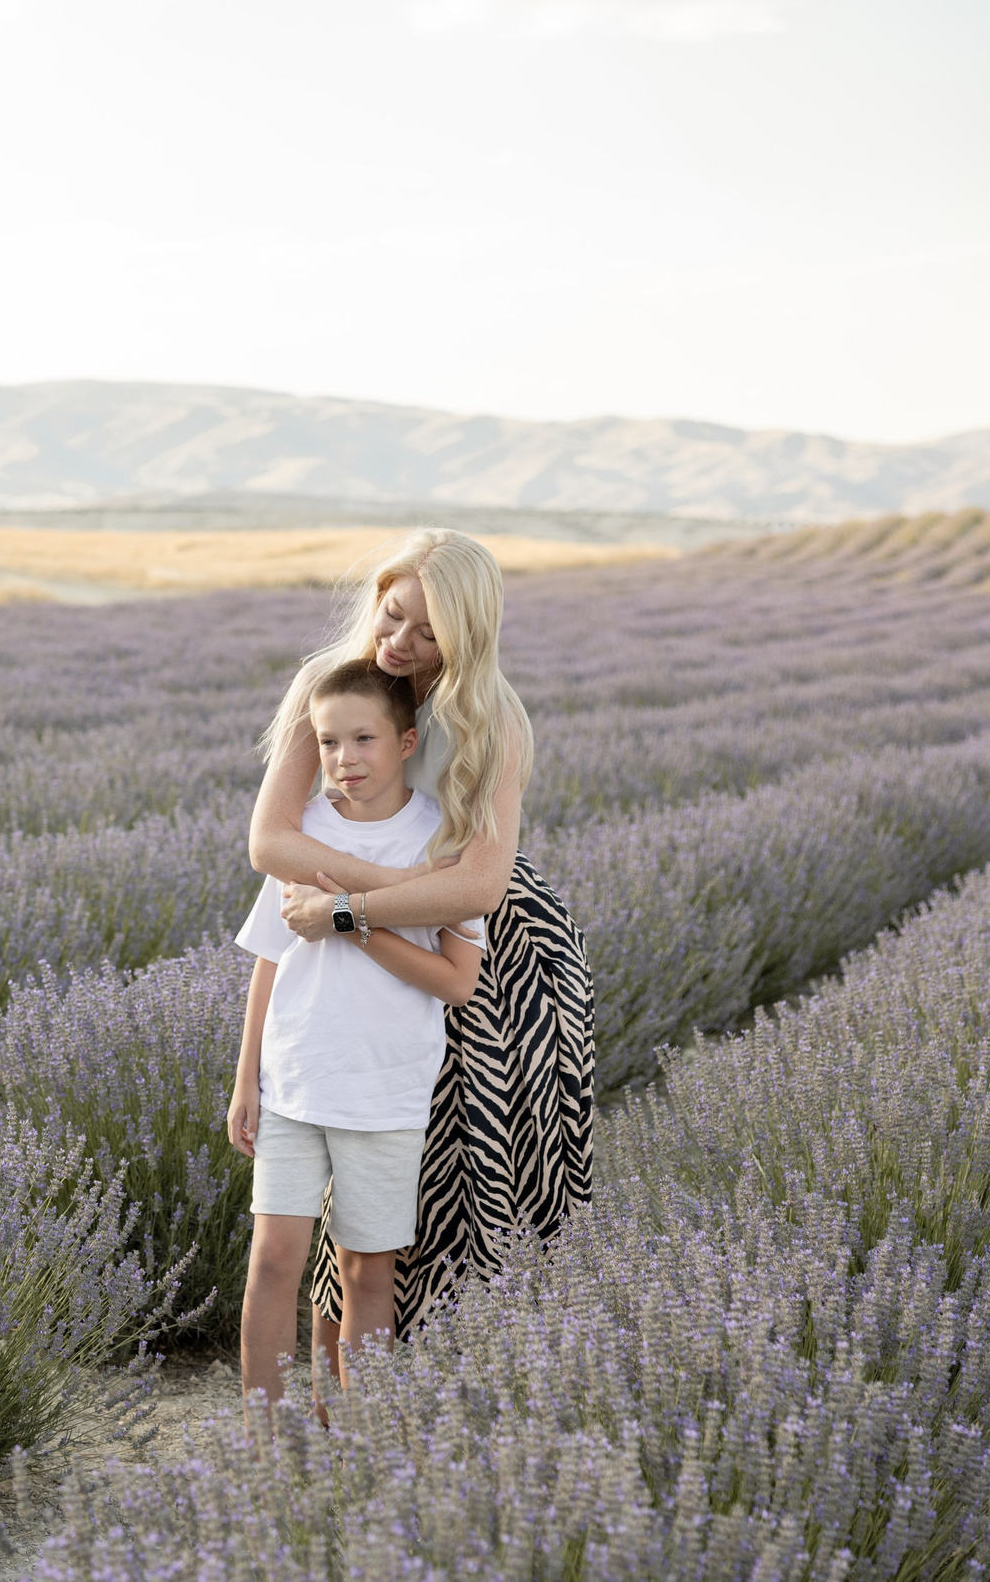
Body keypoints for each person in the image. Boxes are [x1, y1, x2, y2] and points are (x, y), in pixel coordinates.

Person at [247, 529, 595, 1372]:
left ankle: (461, 1384)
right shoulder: (328, 686)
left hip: (496, 963)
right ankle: (331, 1404)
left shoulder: (495, 718)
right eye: (392, 614)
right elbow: (271, 842)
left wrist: (355, 905)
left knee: (462, 1193)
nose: (399, 642)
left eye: (428, 633)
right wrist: (389, 891)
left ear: (467, 638)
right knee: (349, 1184)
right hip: (364, 936)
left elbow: (481, 888)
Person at [228, 659, 483, 1407]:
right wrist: (246, 1081)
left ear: (407, 742)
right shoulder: (302, 834)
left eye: (364, 738)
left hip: (385, 1086)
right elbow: (271, 960)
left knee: (368, 1270)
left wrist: (350, 920)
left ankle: (357, 1436)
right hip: (294, 1080)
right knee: (273, 1260)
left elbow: (456, 981)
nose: (345, 759)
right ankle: (265, 1440)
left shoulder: (441, 841)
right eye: (328, 742)